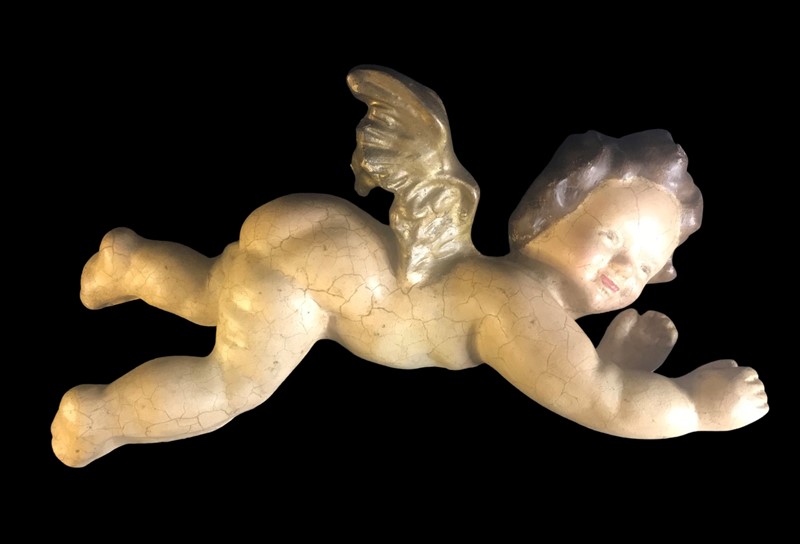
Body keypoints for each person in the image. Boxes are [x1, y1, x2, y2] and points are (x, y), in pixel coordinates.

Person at [51, 67, 768, 467]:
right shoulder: (516, 305)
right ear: (549, 214)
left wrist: (618, 363)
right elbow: (598, 402)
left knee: (219, 287)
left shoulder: (524, 304)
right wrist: (696, 408)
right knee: (231, 382)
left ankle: (131, 263)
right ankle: (100, 417)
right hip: (317, 285)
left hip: (317, 242)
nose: (621, 270)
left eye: (643, 266)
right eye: (608, 239)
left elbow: (585, 375)